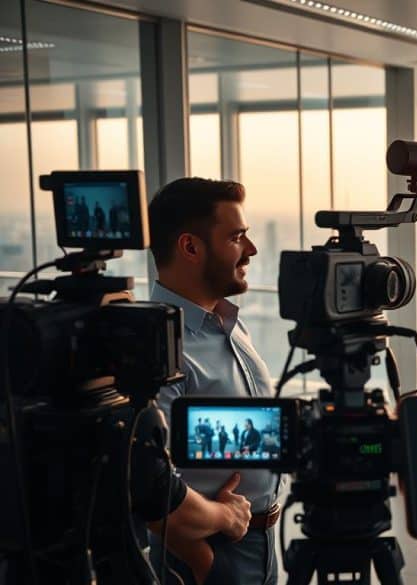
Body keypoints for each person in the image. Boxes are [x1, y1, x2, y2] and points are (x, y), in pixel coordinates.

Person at [148, 177, 281, 585]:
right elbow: (147, 482)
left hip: (260, 541)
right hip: (210, 552)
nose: (251, 249)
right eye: (237, 237)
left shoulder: (227, 323)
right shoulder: (157, 346)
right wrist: (205, 561)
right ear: (191, 247)